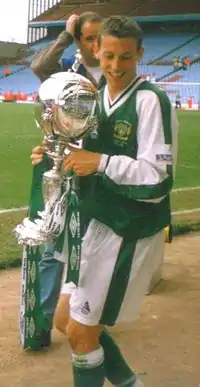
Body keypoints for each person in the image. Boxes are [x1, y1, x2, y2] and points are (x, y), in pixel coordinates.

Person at [50, 16, 178, 387]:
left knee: (82, 334)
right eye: (108, 56)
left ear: (139, 54)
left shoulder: (149, 101)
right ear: (95, 51)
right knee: (65, 322)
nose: (116, 66)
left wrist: (102, 163)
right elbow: (86, 154)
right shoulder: (96, 94)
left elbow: (159, 178)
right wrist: (55, 154)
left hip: (126, 229)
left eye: (125, 57)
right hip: (94, 220)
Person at [30, 11, 104, 349]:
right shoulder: (67, 75)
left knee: (94, 252)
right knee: (51, 249)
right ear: (79, 41)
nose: (97, 45)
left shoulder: (115, 78)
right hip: (64, 174)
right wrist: (63, 34)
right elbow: (38, 67)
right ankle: (43, 322)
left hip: (100, 178)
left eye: (100, 37)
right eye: (89, 38)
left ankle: (89, 318)